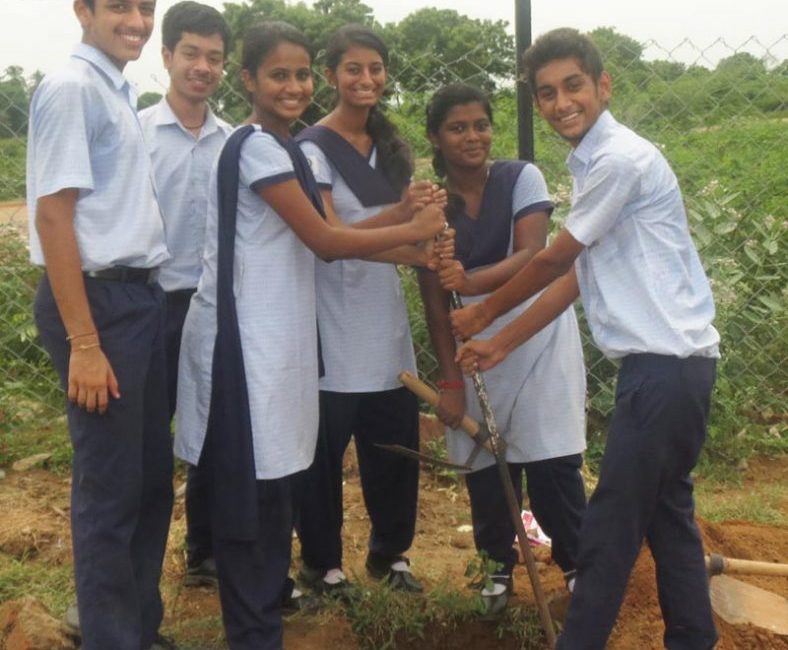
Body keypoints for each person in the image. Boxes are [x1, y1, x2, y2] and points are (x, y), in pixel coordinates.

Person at [173, 21, 446, 650]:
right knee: (255, 488)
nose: (293, 86)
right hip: (245, 340)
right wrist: (414, 229)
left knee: (277, 479)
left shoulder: (288, 149)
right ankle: (253, 626)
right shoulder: (258, 149)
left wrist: (408, 228)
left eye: (300, 75)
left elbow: (333, 232)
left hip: (277, 341)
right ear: (248, 80)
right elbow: (325, 240)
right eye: (279, 75)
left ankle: (264, 612)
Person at [451, 28, 720, 650]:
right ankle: (693, 639)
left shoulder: (618, 159)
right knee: (668, 515)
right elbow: (576, 277)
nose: (560, 102)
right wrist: (501, 342)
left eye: (573, 85)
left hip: (663, 370)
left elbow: (551, 259)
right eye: (546, 92)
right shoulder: (597, 162)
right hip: (675, 370)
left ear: (603, 85)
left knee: (608, 528)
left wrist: (482, 312)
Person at [27, 1, 174, 649]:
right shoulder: (72, 88)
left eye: (146, 7)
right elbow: (54, 216)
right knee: (112, 488)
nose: (137, 20)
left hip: (137, 300)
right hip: (99, 308)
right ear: (82, 10)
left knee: (149, 479)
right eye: (119, 6)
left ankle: (137, 628)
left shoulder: (116, 88)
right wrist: (84, 342)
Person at [418, 83, 587, 616]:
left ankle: (578, 566)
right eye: (457, 128)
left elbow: (533, 253)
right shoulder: (431, 207)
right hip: (471, 343)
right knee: (487, 464)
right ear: (435, 138)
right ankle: (496, 568)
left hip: (534, 330)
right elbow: (434, 303)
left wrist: (471, 283)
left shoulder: (521, 177)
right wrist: (449, 380)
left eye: (481, 125)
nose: (473, 137)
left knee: (553, 458)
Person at [294, 24, 441, 596]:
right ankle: (322, 563)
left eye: (375, 68)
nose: (366, 79)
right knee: (323, 456)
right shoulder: (312, 148)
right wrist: (407, 222)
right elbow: (330, 237)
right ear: (330, 76)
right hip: (331, 321)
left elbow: (398, 243)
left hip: (383, 323)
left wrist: (427, 245)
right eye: (353, 68)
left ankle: (390, 554)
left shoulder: (390, 147)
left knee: (393, 449)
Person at [138, 0, 232, 589]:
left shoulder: (233, 141)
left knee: (213, 429)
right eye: (191, 54)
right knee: (148, 437)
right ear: (167, 55)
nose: (202, 67)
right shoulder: (137, 133)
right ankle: (135, 570)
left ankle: (204, 551)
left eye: (214, 57)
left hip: (215, 307)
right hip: (153, 305)